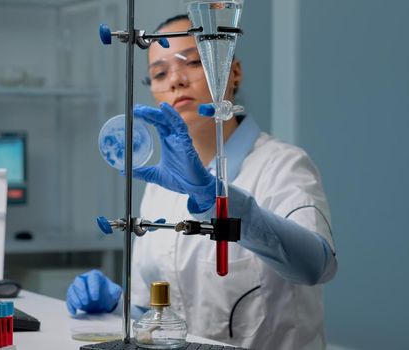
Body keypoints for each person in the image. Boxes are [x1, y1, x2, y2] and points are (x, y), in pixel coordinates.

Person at [66, 14, 337, 350]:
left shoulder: (282, 164)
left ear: (233, 72)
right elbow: (155, 309)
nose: (176, 80)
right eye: (160, 73)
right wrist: (114, 303)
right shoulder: (159, 186)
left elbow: (315, 266)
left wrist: (212, 197)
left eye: (192, 62)